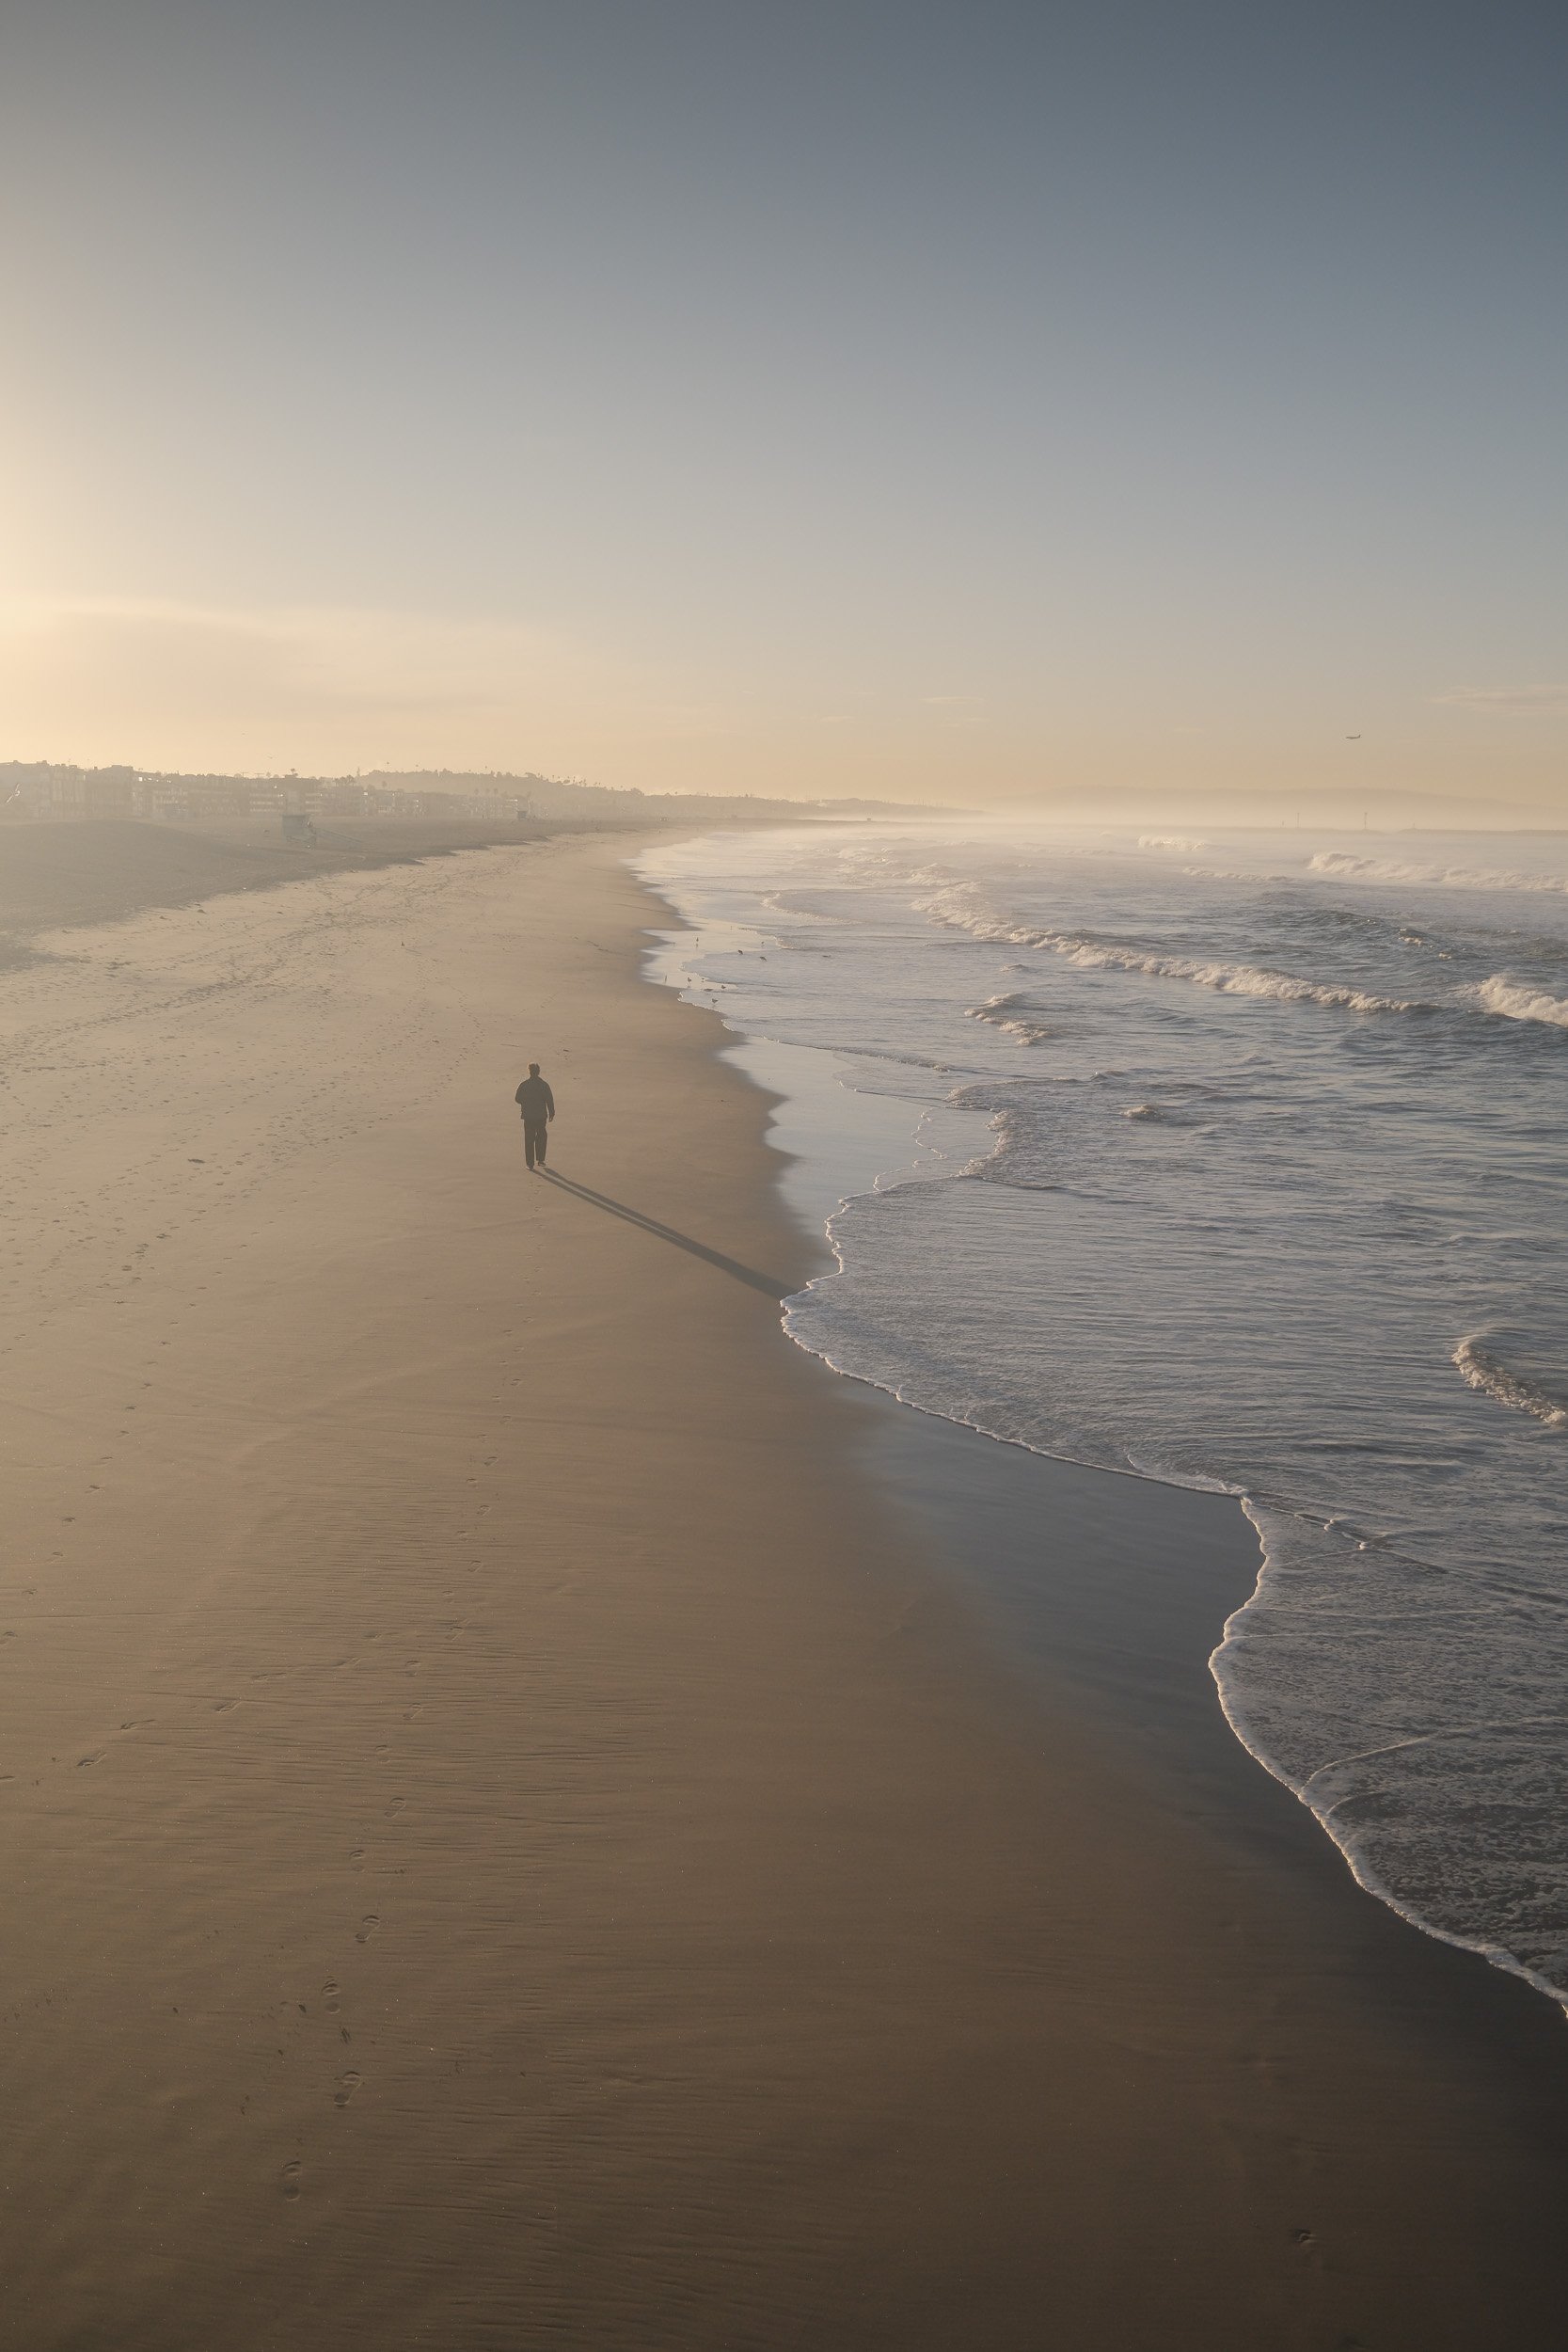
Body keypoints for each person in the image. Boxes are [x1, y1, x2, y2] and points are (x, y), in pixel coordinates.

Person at [515, 1063, 555, 1171]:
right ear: (538, 1072)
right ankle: (540, 1160)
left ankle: (530, 1164)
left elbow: (517, 1098)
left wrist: (526, 1102)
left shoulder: (524, 1084)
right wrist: (552, 1113)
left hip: (528, 1116)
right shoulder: (544, 1085)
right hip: (541, 1116)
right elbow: (549, 1100)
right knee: (541, 1136)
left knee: (529, 1139)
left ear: (529, 1071)